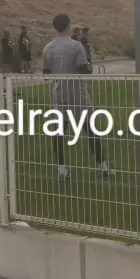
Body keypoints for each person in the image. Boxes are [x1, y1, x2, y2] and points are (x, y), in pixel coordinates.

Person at [42, 13, 110, 183]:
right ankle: (102, 166)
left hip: (59, 95)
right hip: (77, 94)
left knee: (58, 132)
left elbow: (45, 75)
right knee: (90, 129)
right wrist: (88, 64)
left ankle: (62, 170)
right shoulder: (76, 46)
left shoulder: (48, 48)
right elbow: (84, 70)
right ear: (68, 26)